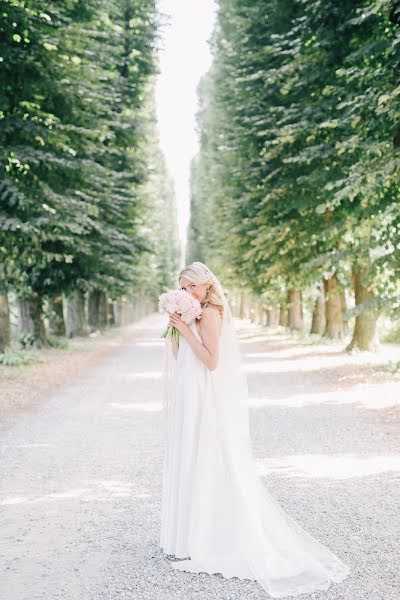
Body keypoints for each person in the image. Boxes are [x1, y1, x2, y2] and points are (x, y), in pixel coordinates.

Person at [159, 261, 350, 598]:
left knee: (204, 456)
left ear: (206, 287)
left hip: (203, 392)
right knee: (186, 454)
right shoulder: (193, 313)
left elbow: (212, 360)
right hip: (187, 389)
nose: (187, 293)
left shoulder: (212, 313)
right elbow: (179, 354)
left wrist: (187, 329)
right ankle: (187, 534)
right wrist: (175, 328)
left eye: (192, 287)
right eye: (183, 287)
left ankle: (208, 536)